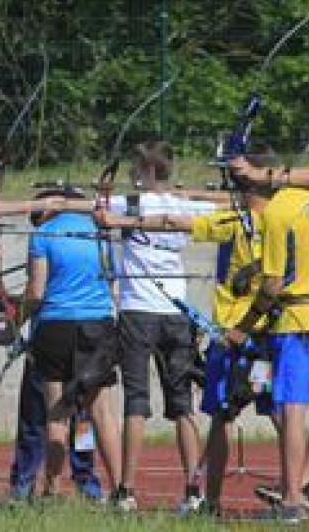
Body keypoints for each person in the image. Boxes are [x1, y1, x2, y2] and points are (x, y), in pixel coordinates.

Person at [0, 140, 218, 512]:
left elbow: (39, 286)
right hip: (143, 318)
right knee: (154, 408)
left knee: (80, 409)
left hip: (104, 319)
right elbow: (111, 281)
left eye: (135, 169)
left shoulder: (103, 214)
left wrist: (2, 208)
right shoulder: (166, 211)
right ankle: (179, 489)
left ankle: (76, 490)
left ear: (146, 171)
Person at [96, 146, 282, 515]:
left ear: (147, 170)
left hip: (139, 313)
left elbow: (74, 206)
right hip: (178, 315)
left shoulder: (127, 203)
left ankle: (126, 491)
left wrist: (105, 208)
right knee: (184, 405)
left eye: (136, 168)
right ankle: (195, 491)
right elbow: (222, 203)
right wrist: (191, 194)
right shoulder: (191, 205)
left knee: (137, 401)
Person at [0, 185, 123, 499]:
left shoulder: (44, 234)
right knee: (100, 414)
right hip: (97, 324)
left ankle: (51, 488)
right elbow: (114, 289)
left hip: (55, 327)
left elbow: (36, 292)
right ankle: (122, 489)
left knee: (57, 413)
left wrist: (13, 324)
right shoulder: (100, 233)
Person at [225, 156, 309, 523]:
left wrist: (244, 326)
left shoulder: (277, 212)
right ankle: (303, 484)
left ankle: (292, 499)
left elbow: (272, 285)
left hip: (297, 320)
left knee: (293, 408)